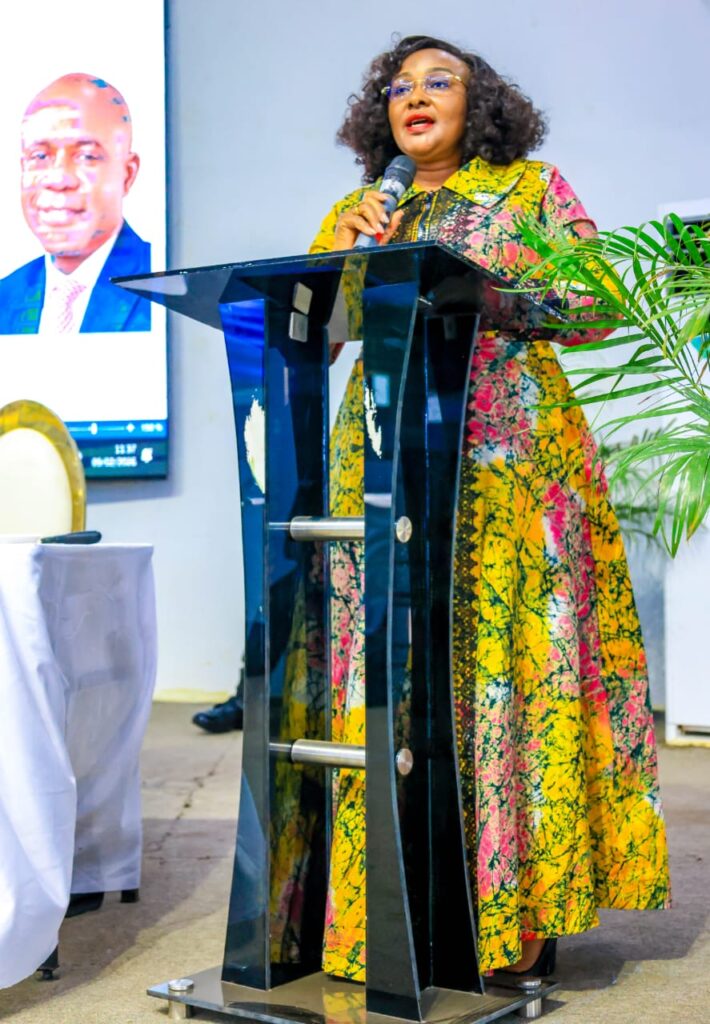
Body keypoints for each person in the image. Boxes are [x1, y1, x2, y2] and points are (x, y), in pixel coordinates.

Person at [309, 35, 670, 981]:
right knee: (394, 672)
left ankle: (519, 916)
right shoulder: (360, 210)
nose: (415, 96)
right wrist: (345, 260)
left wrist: (493, 296)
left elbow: (598, 303)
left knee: (507, 667)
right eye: (399, 86)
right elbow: (313, 335)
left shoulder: (530, 190)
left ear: (482, 104)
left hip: (509, 456)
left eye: (440, 81)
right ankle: (392, 909)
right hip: (384, 458)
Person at [0, 72, 151, 334]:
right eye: (39, 156)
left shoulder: (170, 290)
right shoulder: (6, 297)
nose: (58, 179)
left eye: (86, 156)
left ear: (127, 174)